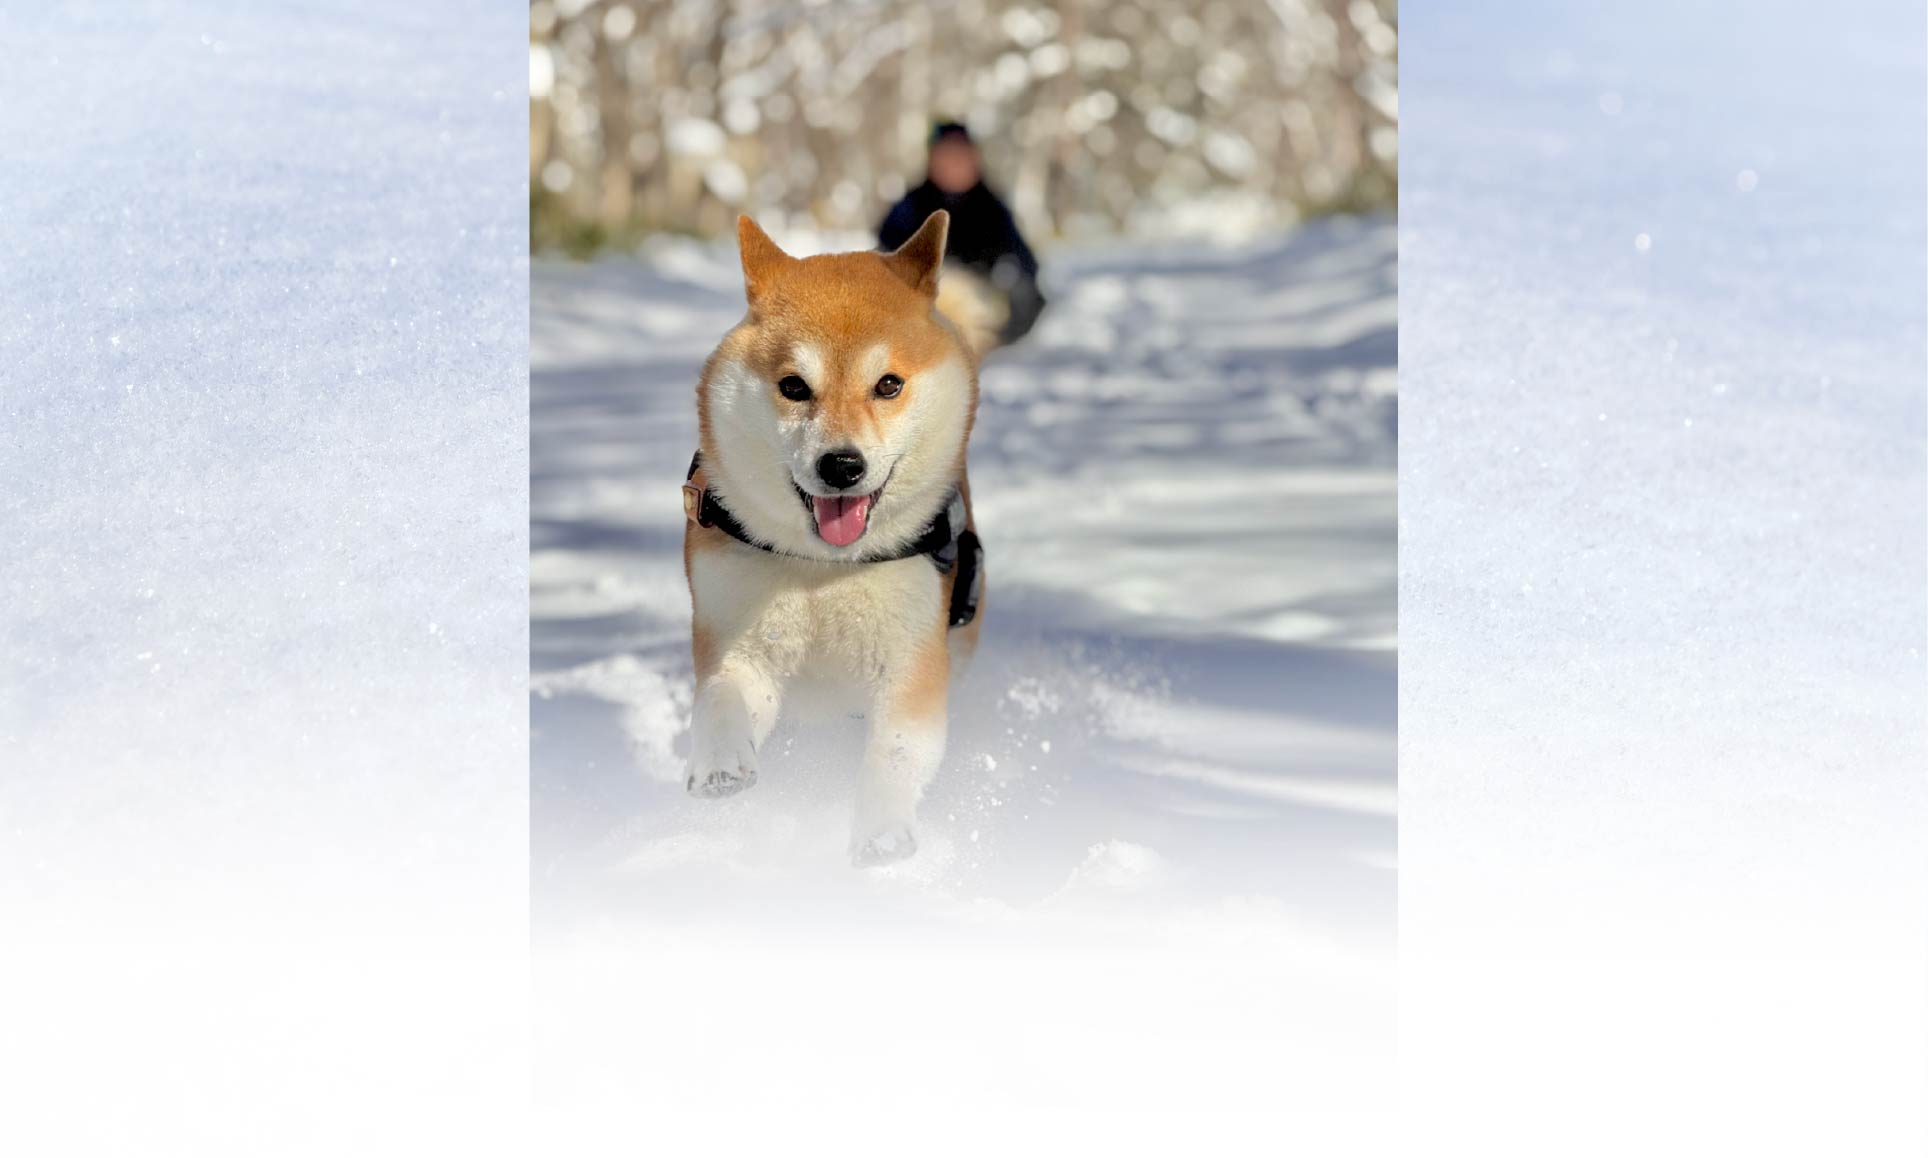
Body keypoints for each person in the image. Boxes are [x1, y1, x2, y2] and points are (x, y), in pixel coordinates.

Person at [879, 122, 1046, 346]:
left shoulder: (993, 212)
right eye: (947, 155)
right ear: (932, 160)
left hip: (981, 331)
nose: (955, 163)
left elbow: (1026, 273)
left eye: (962, 155)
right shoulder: (908, 209)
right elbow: (881, 267)